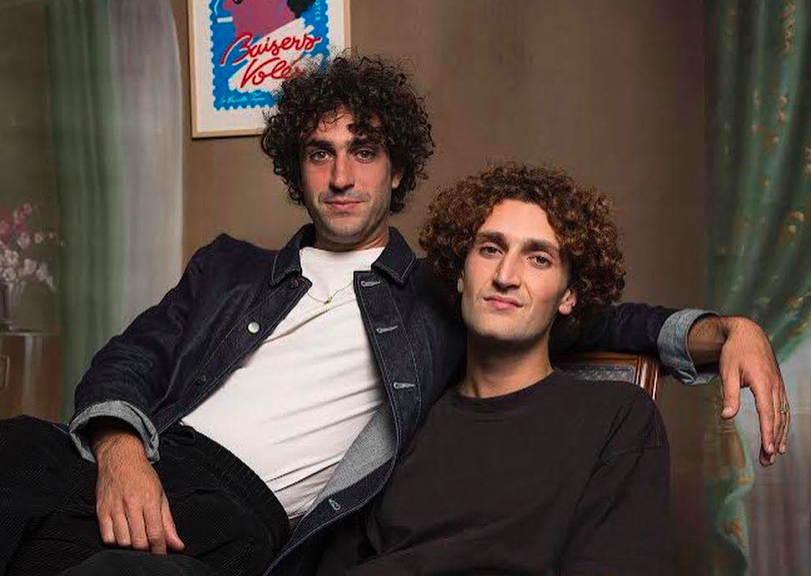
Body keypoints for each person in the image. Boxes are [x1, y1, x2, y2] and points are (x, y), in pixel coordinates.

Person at [0, 55, 788, 576]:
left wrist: (725, 331)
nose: (342, 176)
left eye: (365, 151)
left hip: (228, 513)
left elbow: (588, 312)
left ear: (398, 169)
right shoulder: (227, 268)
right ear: (296, 170)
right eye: (320, 153)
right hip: (134, 454)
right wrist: (120, 452)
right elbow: (129, 360)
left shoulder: (444, 294)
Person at [315, 164, 677, 576]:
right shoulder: (404, 420)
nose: (506, 276)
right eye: (490, 250)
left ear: (569, 295)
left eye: (538, 259)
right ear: (460, 275)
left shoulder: (615, 417)